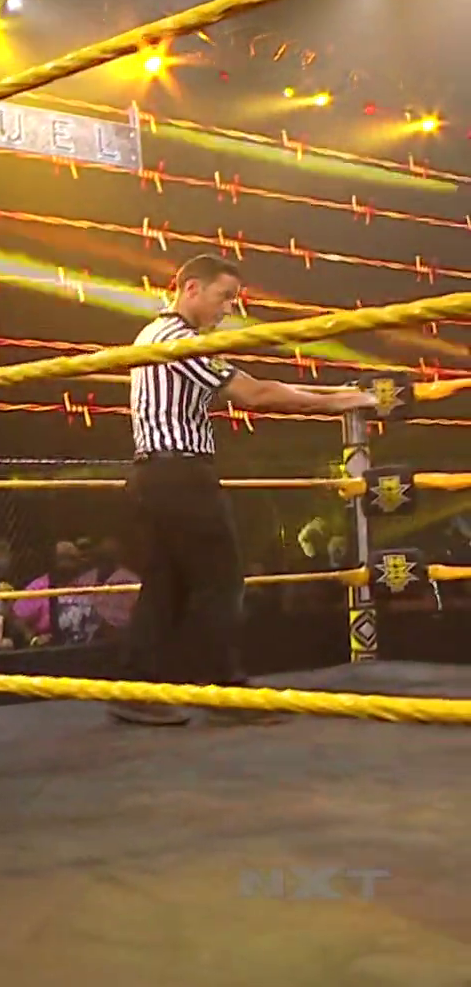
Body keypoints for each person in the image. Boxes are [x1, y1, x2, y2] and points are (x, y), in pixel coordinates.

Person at [109, 254, 377, 727]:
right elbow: (255, 394)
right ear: (191, 288)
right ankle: (222, 690)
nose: (229, 309)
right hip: (181, 476)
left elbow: (250, 388)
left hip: (156, 476)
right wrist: (339, 399)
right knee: (221, 579)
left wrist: (333, 396)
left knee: (167, 584)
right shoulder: (178, 341)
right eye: (224, 297)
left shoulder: (153, 334)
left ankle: (136, 689)